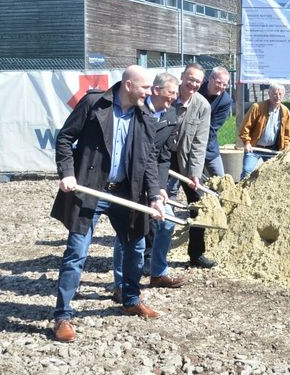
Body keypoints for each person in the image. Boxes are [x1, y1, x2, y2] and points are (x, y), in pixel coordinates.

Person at [51, 65, 164, 343]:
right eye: (145, 87)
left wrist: (154, 196)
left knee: (135, 246)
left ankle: (131, 298)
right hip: (90, 190)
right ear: (128, 85)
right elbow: (65, 138)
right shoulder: (93, 104)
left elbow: (148, 160)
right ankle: (62, 316)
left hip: (126, 193)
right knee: (77, 251)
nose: (150, 93)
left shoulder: (144, 115)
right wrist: (67, 173)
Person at [112, 72, 185, 296]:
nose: (174, 97)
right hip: (131, 179)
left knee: (167, 223)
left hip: (153, 180)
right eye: (171, 92)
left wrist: (160, 188)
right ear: (156, 90)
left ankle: (157, 272)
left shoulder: (171, 115)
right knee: (126, 231)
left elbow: (163, 156)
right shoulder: (137, 110)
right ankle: (120, 285)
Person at [169, 63, 213, 268]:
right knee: (157, 202)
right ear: (182, 76)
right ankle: (149, 255)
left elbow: (199, 143)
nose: (193, 84)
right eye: (190, 79)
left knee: (198, 204)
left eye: (197, 81)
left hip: (186, 161)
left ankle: (196, 254)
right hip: (163, 158)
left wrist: (195, 173)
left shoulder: (203, 106)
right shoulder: (168, 96)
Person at [239, 82, 290, 180]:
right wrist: (247, 143)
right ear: (269, 94)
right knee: (247, 171)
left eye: (280, 94)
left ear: (283, 95)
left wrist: (285, 148)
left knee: (274, 174)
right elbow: (245, 127)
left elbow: (286, 135)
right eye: (275, 94)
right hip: (254, 148)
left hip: (272, 149)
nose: (277, 97)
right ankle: (241, 192)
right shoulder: (257, 107)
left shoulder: (285, 112)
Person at [199, 66, 233, 178]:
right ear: (210, 78)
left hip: (208, 144)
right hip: (185, 144)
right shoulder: (196, 90)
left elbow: (212, 127)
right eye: (218, 83)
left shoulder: (225, 101)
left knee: (221, 180)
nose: (221, 87)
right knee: (175, 181)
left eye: (225, 85)